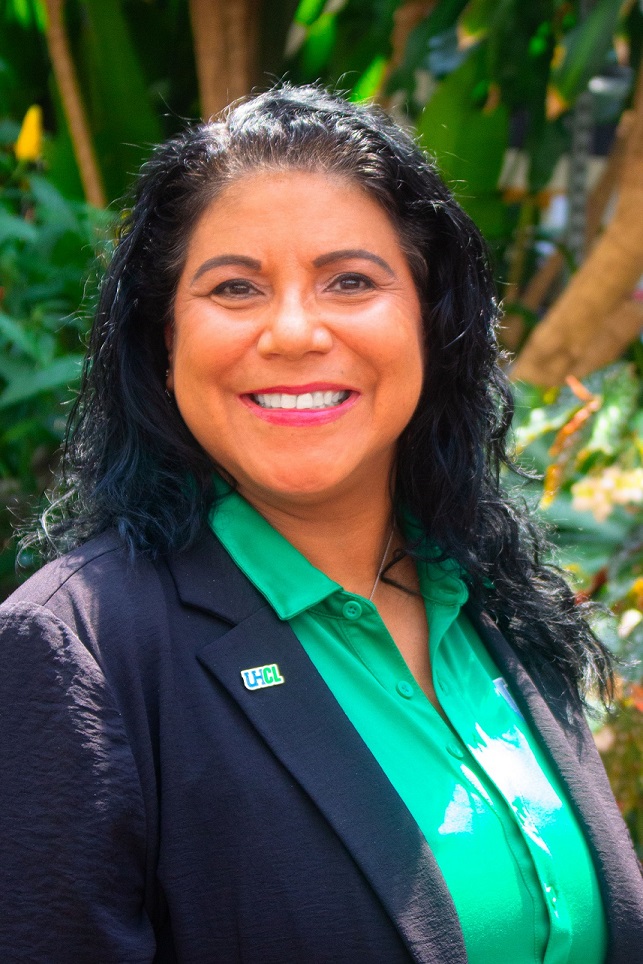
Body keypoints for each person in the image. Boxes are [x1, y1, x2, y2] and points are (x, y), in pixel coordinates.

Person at [1, 84, 641, 964]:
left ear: (430, 319)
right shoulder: (77, 651)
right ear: (164, 338)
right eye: (234, 287)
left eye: (350, 281)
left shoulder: (494, 599)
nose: (295, 331)